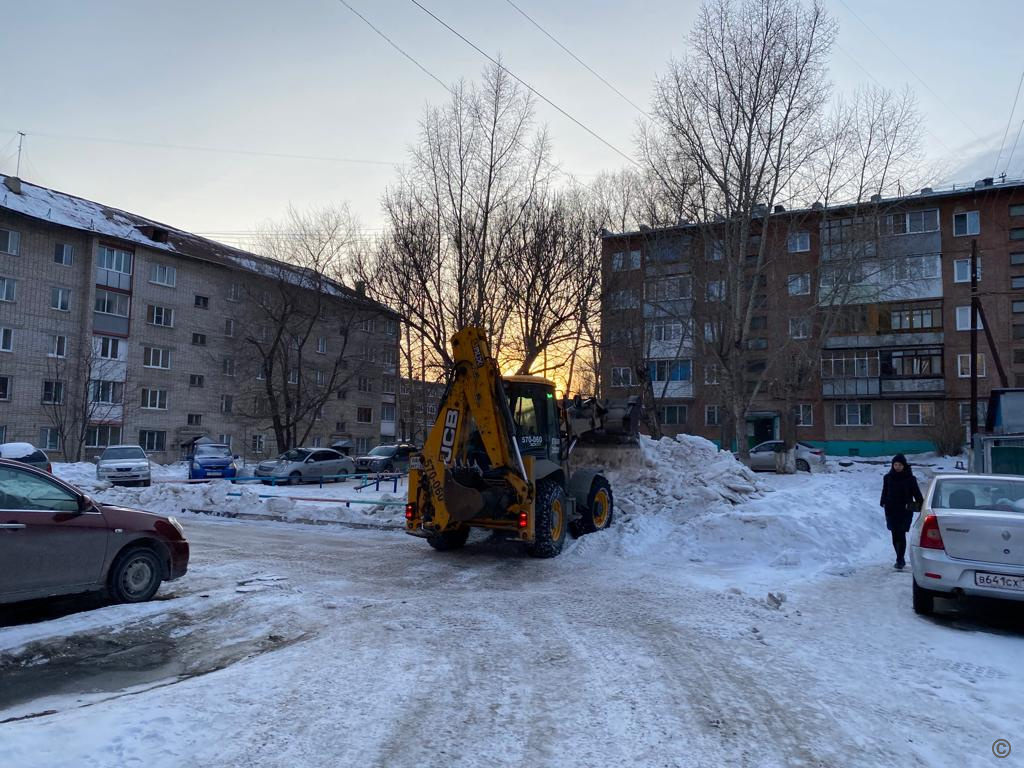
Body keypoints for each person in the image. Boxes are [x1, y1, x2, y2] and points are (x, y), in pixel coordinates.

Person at [879, 453, 924, 570]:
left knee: (901, 534)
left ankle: (900, 559)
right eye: (895, 464)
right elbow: (885, 491)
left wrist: (922, 506)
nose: (897, 467)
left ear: (904, 465)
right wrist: (883, 501)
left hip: (905, 511)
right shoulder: (887, 477)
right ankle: (899, 557)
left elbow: (917, 494)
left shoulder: (910, 479)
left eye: (899, 465)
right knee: (894, 535)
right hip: (891, 510)